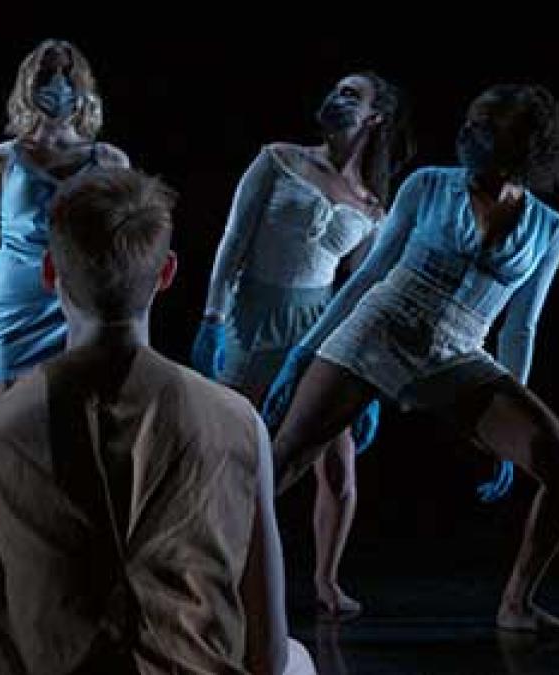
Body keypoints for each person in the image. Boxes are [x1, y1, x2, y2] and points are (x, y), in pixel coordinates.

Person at [0, 167, 315, 673]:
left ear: (50, 273)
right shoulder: (240, 423)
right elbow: (268, 652)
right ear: (166, 273)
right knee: (298, 657)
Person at [264, 84, 559, 639]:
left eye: (489, 130)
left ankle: (516, 605)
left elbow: (521, 325)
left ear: (522, 147)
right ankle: (191, 575)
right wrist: (305, 350)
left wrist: (511, 418)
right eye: (473, 124)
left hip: (459, 352)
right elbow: (368, 275)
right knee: (279, 462)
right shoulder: (429, 185)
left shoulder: (548, 228)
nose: (473, 138)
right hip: (377, 329)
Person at [193, 72, 414, 619]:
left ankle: (326, 581)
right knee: (235, 451)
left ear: (376, 118)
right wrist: (212, 317)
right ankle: (209, 568)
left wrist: (369, 373)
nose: (336, 98)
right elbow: (233, 240)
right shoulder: (279, 159)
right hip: (254, 316)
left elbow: (361, 291)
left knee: (338, 465)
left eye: (351, 94)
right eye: (336, 89)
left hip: (319, 325)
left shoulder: (372, 203)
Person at [0, 38, 129, 403]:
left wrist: (126, 333)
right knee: (1, 437)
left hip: (78, 312)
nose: (58, 83)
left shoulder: (111, 162)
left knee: (72, 435)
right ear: (28, 84)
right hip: (12, 313)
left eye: (66, 73)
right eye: (47, 74)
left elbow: (124, 258)